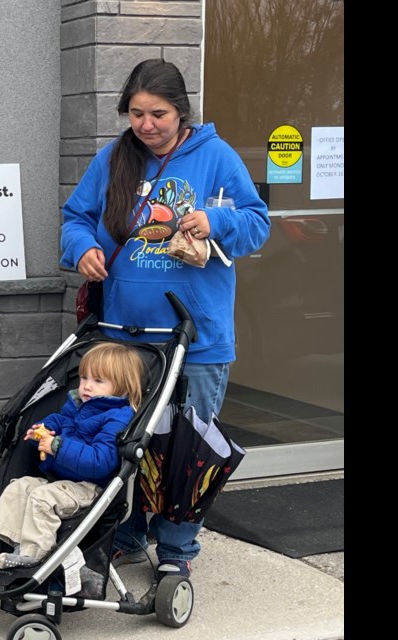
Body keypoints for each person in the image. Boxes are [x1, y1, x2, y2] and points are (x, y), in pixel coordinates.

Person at [59, 58, 270, 580]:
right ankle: (127, 535)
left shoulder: (216, 157)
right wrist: (82, 247)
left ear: (181, 111)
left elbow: (256, 223)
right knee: (124, 439)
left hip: (194, 338)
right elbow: (76, 217)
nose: (146, 124)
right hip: (125, 337)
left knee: (184, 452)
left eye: (158, 113)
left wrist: (215, 220)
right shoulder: (113, 158)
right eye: (136, 113)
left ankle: (176, 551)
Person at [0, 342, 144, 570]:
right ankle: (13, 544)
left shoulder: (117, 419)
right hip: (61, 481)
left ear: (122, 387)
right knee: (19, 487)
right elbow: (61, 421)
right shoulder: (79, 406)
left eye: (98, 381)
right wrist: (42, 429)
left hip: (89, 487)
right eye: (84, 378)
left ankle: (36, 555)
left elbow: (101, 461)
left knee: (42, 497)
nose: (87, 386)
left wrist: (58, 446)